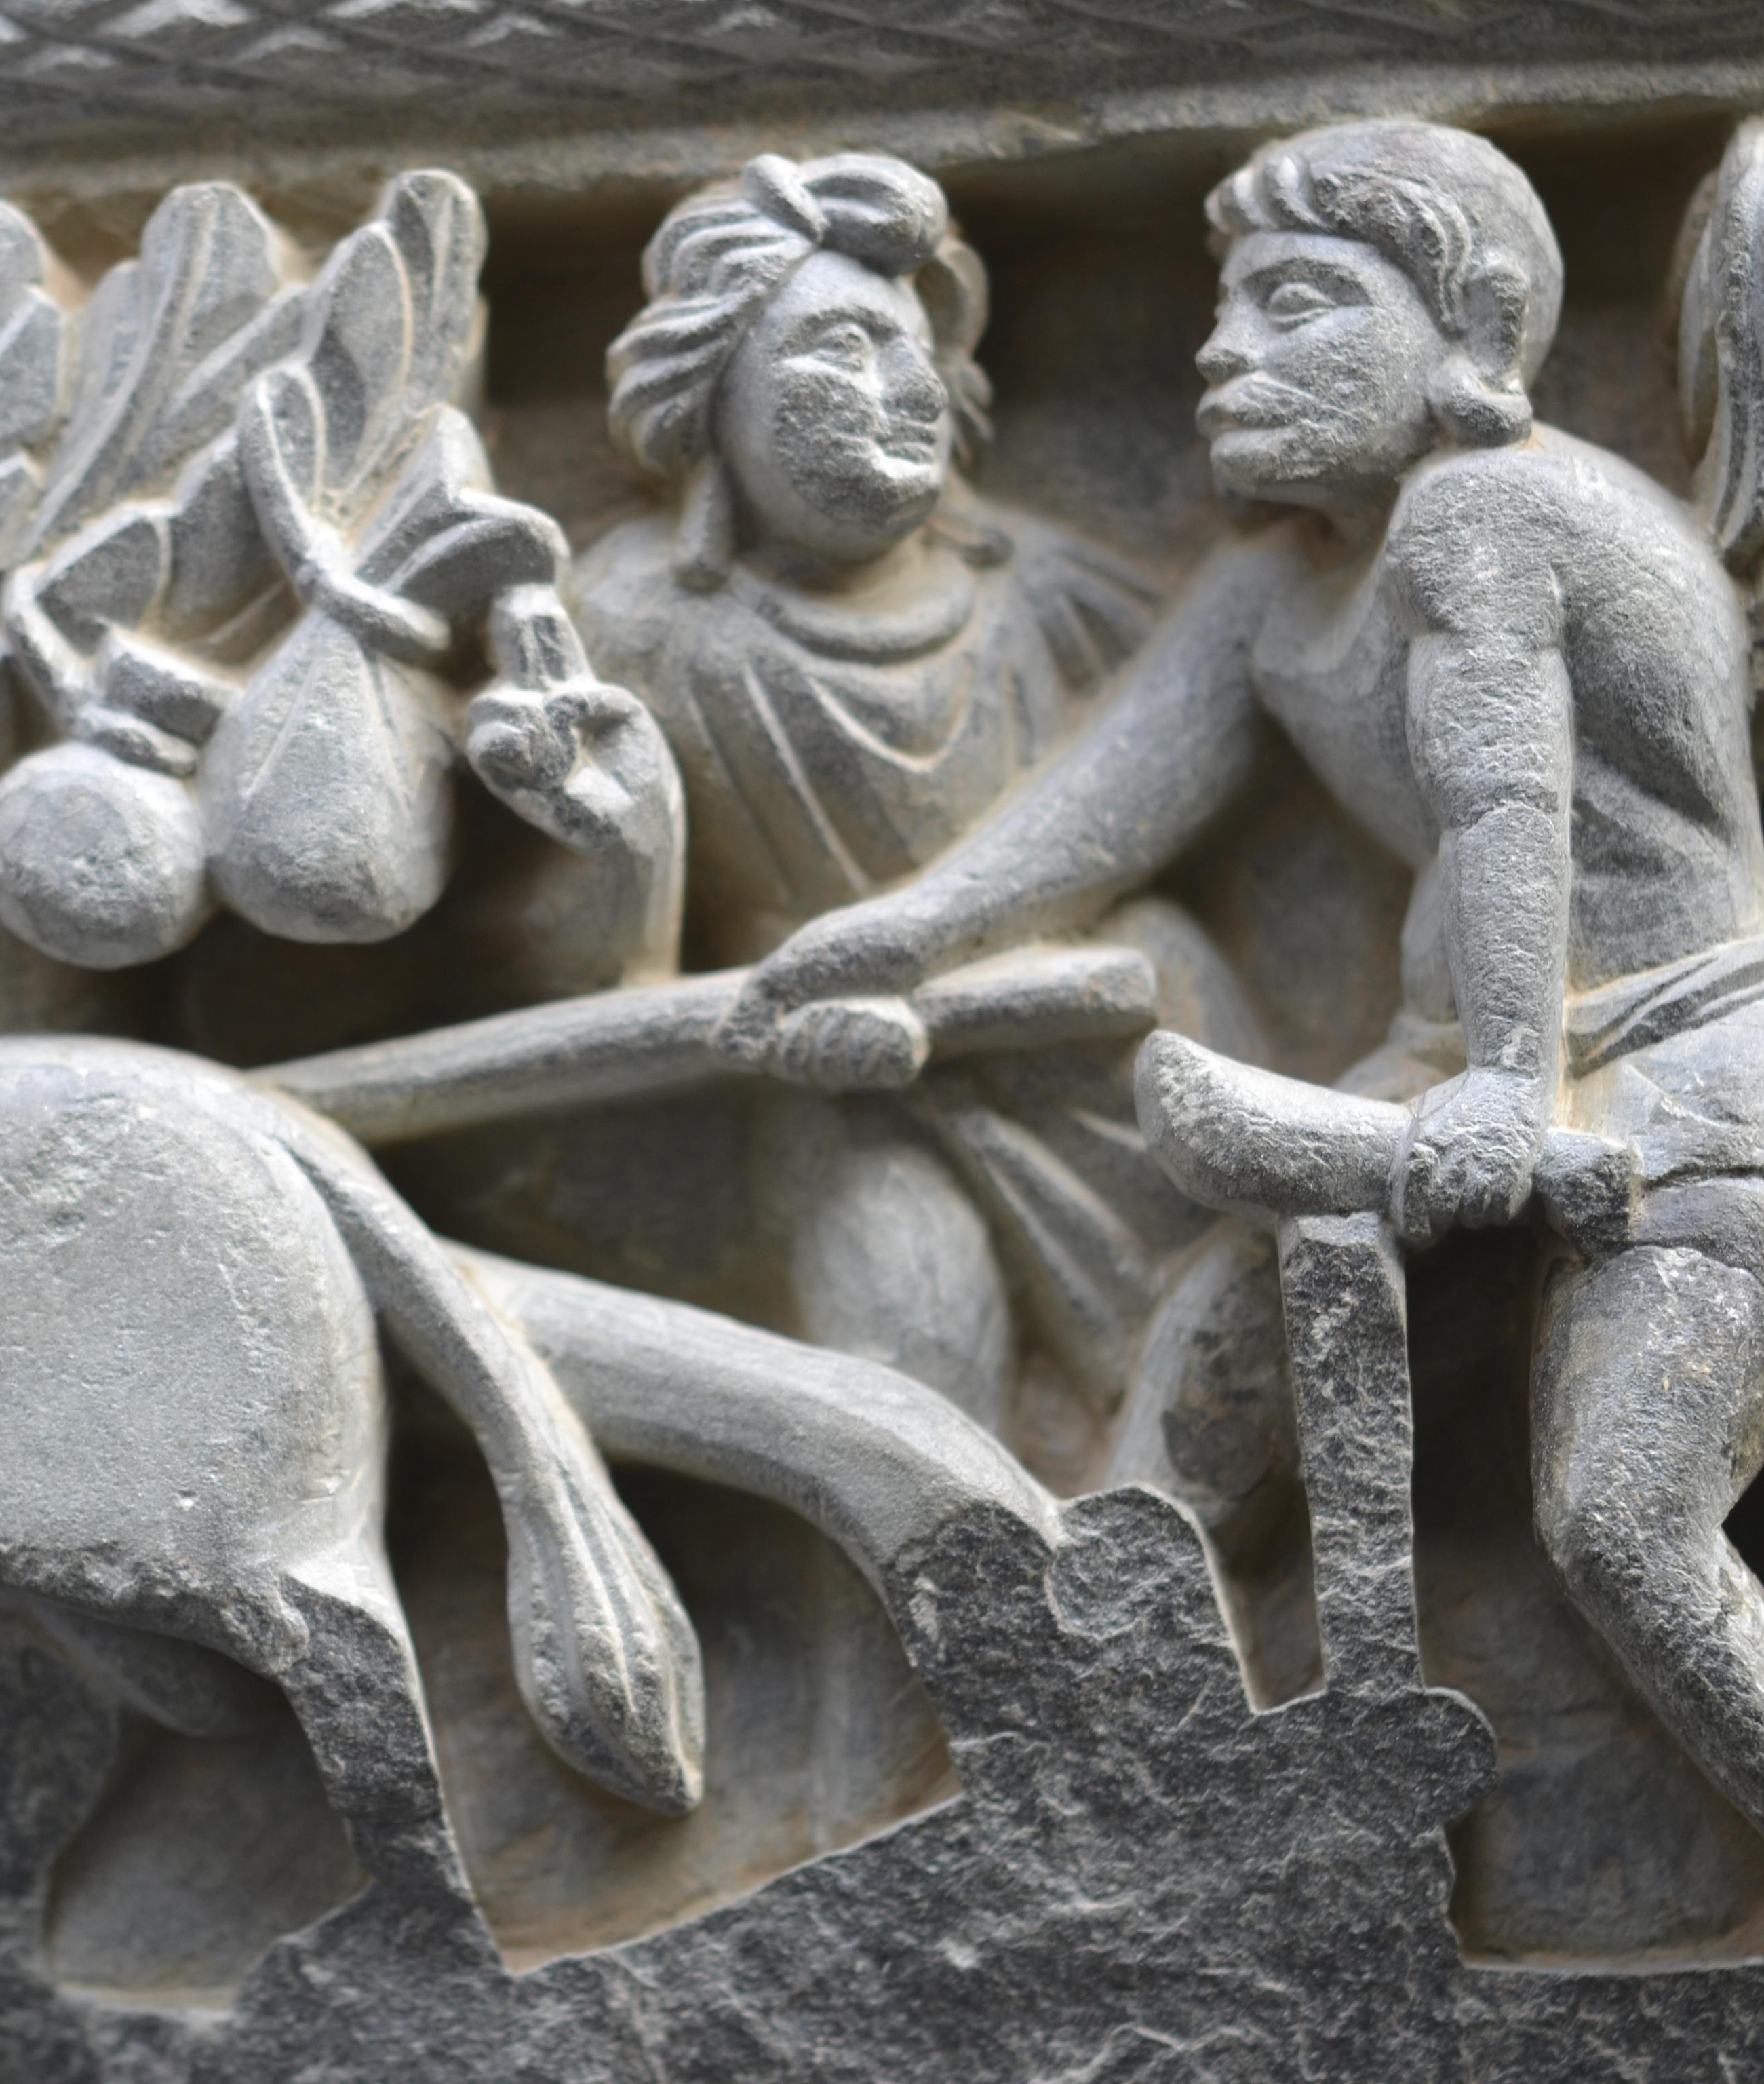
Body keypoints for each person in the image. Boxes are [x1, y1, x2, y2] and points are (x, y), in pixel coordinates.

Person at [722, 119, 1764, 1860]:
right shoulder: (1277, 584)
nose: (1223, 349)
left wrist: (1508, 1085)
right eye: (1224, 309)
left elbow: (1508, 805)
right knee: (1188, 1418)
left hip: (1696, 1073)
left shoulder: (1489, 509)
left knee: (1624, 1524)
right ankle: (1074, 1836)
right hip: (1447, 1080)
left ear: (1474, 330)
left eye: (1300, 303)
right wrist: (900, 935)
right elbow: (1108, 803)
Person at [544, 151, 1274, 1463]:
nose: (908, 390)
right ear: (707, 397)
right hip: (838, 1083)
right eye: (840, 349)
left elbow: (1219, 771)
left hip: (1115, 1052)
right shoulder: (637, 626)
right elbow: (572, 974)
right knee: (914, 1380)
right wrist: (616, 860)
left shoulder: (1044, 598)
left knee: (1250, 1373)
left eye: (917, 350)